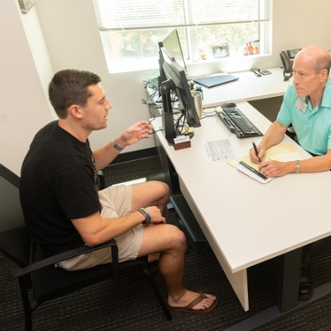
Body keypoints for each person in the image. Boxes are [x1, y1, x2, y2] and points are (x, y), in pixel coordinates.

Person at [19, 69, 217, 314]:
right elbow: (93, 235)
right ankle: (177, 296)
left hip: (82, 212)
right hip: (75, 246)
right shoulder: (66, 166)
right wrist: (142, 216)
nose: (109, 105)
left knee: (160, 189)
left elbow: (89, 163)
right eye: (101, 101)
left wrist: (120, 142)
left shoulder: (57, 131)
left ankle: (153, 254)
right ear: (76, 111)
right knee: (176, 237)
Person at [249, 46, 331, 300]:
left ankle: (301, 262)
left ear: (322, 75)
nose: (294, 80)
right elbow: (279, 125)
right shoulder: (296, 93)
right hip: (303, 151)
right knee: (272, 185)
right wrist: (264, 146)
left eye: (301, 74)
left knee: (304, 207)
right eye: (293, 73)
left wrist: (288, 167)